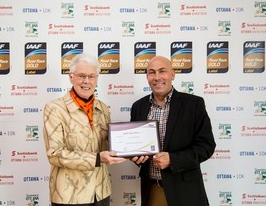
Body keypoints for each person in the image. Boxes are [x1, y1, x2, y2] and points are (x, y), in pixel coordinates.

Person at [130, 56, 216, 206]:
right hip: (152, 188)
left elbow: (206, 146)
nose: (157, 77)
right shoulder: (139, 106)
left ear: (173, 74)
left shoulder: (194, 104)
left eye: (162, 71)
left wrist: (173, 159)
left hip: (185, 190)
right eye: (151, 72)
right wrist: (135, 155)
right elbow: (135, 144)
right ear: (147, 77)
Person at [43, 53, 126, 206]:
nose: (86, 81)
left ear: (96, 79)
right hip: (69, 196)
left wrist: (134, 152)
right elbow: (55, 154)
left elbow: (110, 146)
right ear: (71, 77)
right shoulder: (55, 109)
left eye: (91, 76)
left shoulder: (102, 108)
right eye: (81, 76)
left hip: (101, 192)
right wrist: (97, 158)